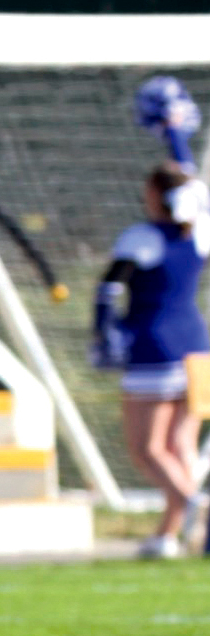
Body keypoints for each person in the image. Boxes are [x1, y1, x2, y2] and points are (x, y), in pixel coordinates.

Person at [91, 161, 210, 558]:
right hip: (198, 345)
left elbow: (109, 287)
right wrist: (175, 134)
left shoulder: (142, 236)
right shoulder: (199, 233)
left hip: (154, 346)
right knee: (181, 447)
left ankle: (196, 505)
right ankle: (166, 537)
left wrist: (103, 332)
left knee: (148, 449)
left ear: (156, 194)